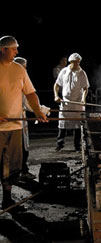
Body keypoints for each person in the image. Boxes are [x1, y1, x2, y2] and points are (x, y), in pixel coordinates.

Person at [0, 36, 47, 211]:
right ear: (3, 49)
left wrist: (38, 111)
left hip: (15, 127)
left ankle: (6, 199)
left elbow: (30, 93)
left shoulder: (19, 69)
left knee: (12, 165)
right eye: (14, 49)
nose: (17, 52)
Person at [13, 57, 49, 181]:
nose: (26, 69)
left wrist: (41, 110)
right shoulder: (19, 79)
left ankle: (17, 172)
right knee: (22, 149)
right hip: (15, 120)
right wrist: (41, 111)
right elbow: (28, 101)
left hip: (16, 118)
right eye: (25, 66)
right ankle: (21, 172)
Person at [54, 52, 89, 152]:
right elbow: (56, 85)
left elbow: (85, 88)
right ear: (71, 62)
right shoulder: (64, 72)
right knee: (62, 124)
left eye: (79, 62)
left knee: (77, 126)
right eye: (76, 62)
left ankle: (77, 146)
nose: (78, 64)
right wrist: (56, 95)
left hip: (77, 103)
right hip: (65, 102)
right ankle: (60, 144)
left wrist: (83, 99)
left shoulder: (82, 73)